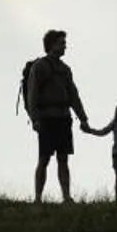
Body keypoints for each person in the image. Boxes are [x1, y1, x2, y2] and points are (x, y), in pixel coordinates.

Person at [17, 29, 89, 204]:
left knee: (63, 159)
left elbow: (73, 95)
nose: (65, 46)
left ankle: (66, 197)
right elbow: (32, 94)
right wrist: (35, 119)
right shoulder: (40, 67)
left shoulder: (65, 70)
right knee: (44, 159)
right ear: (51, 45)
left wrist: (83, 118)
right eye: (61, 43)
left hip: (64, 118)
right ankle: (38, 198)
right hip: (47, 119)